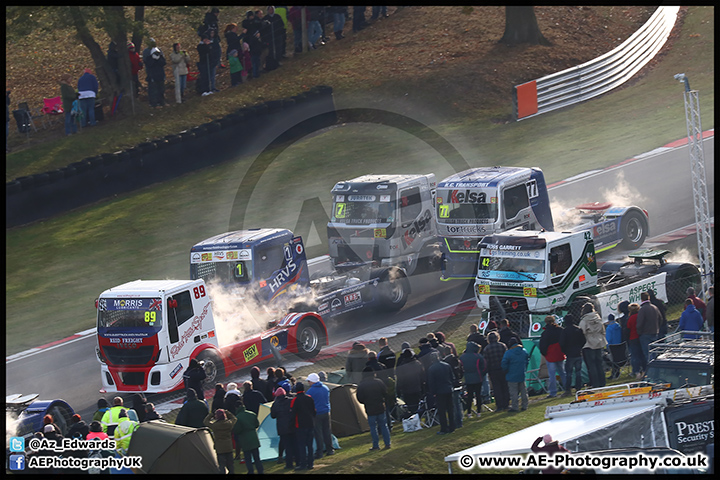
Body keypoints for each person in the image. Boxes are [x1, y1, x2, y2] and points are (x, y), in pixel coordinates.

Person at [357, 368, 392, 449]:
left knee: (373, 428)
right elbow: (386, 393)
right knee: (384, 426)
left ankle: (376, 445)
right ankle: (387, 443)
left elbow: (359, 398)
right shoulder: (379, 382)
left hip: (369, 408)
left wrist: (366, 402)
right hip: (380, 407)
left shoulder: (362, 385)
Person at [578, 302, 607, 388]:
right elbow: (603, 330)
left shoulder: (584, 320)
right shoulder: (598, 318)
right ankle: (602, 381)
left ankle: (595, 383)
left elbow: (581, 331)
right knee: (599, 363)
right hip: (599, 342)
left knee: (591, 365)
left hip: (588, 343)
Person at [427, 351, 456, 434]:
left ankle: (444, 428)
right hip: (448, 389)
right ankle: (452, 426)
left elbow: (431, 383)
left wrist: (433, 392)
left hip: (439, 392)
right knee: (450, 409)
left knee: (442, 411)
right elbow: (452, 377)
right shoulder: (447, 365)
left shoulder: (431, 369)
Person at [306, 372, 334, 458]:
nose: (308, 383)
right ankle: (330, 449)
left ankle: (320, 451)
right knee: (327, 431)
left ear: (312, 381)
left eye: (309, 381)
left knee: (318, 433)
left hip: (317, 414)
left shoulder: (310, 391)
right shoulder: (325, 388)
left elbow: (309, 404)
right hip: (326, 411)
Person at [233, 399, 264, 474]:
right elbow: (257, 424)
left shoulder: (237, 418)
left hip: (244, 439)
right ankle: (260, 471)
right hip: (253, 437)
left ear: (236, 408)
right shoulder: (252, 414)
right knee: (257, 457)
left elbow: (237, 430)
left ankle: (251, 471)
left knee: (248, 458)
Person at [290, 382, 316, 470]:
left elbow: (292, 414)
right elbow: (314, 411)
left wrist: (292, 425)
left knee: (301, 446)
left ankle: (303, 464)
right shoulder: (309, 398)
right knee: (310, 445)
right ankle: (311, 463)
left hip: (300, 425)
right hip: (310, 424)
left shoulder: (295, 400)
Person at [539, 315, 566, 398]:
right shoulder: (560, 330)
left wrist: (545, 353)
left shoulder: (545, 333)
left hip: (550, 355)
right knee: (562, 372)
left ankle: (553, 392)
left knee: (552, 374)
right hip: (559, 353)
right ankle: (567, 388)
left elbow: (542, 345)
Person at [204, 408, 237, 474]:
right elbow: (234, 418)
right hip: (228, 446)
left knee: (221, 466)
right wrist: (227, 412)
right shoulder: (229, 424)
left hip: (219, 446)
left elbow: (205, 421)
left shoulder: (215, 425)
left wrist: (211, 414)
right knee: (230, 464)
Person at [559, 313, 585, 396]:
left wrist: (565, 351)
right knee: (578, 372)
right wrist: (579, 348)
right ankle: (578, 388)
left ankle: (568, 390)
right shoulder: (578, 329)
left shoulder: (565, 331)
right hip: (578, 353)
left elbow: (562, 343)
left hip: (570, 354)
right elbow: (583, 340)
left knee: (569, 373)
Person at [483, 331, 510, 410]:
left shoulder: (486, 349)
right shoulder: (502, 346)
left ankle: (499, 405)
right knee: (505, 386)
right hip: (503, 369)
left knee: (496, 388)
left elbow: (486, 361)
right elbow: (506, 357)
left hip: (493, 370)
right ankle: (506, 404)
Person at [271, 387, 296, 470]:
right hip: (292, 425)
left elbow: (273, 415)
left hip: (282, 427)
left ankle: (288, 463)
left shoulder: (275, 404)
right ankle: (296, 459)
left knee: (286, 444)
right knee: (294, 443)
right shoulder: (290, 401)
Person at [501, 337, 529, 412]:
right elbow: (527, 361)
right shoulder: (524, 351)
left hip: (511, 375)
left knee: (513, 392)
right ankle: (525, 405)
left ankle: (515, 407)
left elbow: (504, 363)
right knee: (523, 391)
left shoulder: (508, 353)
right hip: (521, 374)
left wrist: (505, 370)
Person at [395, 347, 425, 414]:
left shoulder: (402, 367)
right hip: (417, 388)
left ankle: (413, 418)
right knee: (418, 405)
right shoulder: (418, 364)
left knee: (410, 407)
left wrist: (398, 391)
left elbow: (400, 380)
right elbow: (422, 377)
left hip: (407, 391)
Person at [459, 341, 485, 418]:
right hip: (478, 377)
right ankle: (479, 412)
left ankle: (469, 412)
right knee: (478, 395)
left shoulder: (462, 357)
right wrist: (481, 373)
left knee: (469, 396)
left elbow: (461, 368)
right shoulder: (478, 356)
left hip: (468, 379)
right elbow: (484, 366)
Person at [636, 291, 661, 369]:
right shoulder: (655, 307)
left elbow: (639, 323)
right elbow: (660, 319)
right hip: (654, 332)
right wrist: (657, 328)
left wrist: (639, 332)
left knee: (647, 354)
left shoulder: (642, 310)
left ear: (641, 299)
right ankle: (656, 368)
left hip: (645, 334)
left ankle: (651, 370)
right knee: (654, 352)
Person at [264, 6, 286, 71]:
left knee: (278, 48)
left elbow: (282, 24)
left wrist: (279, 31)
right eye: (269, 9)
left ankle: (278, 60)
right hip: (270, 37)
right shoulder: (266, 18)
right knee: (271, 49)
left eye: (272, 9)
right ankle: (271, 62)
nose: (271, 10)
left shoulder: (277, 16)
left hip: (277, 35)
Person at [626, 303, 644, 378]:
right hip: (641, 336)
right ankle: (644, 370)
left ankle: (637, 372)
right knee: (642, 354)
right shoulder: (640, 316)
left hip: (633, 338)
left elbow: (628, 327)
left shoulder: (630, 318)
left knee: (635, 356)